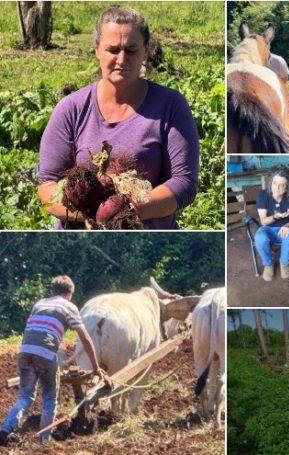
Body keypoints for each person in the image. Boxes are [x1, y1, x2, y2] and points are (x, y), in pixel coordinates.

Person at [38, 6, 199, 230]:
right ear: (97, 50)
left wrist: (125, 210)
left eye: (131, 50)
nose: (121, 59)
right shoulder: (71, 109)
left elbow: (184, 183)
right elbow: (47, 186)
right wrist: (88, 214)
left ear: (145, 50)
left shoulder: (171, 106)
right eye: (113, 50)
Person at [0, 276, 104, 445]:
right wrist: (96, 367)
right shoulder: (69, 307)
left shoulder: (39, 304)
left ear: (53, 291)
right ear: (69, 293)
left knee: (25, 396)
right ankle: (44, 440)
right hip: (46, 354)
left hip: (25, 351)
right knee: (49, 397)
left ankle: (5, 429)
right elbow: (85, 338)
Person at [255, 169, 289, 281]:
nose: (277, 188)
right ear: (271, 183)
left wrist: (288, 225)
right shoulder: (263, 195)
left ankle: (284, 263)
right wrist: (275, 217)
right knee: (259, 237)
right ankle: (268, 264)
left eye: (281, 185)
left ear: (287, 187)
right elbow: (263, 221)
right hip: (267, 228)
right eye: (275, 183)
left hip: (285, 228)